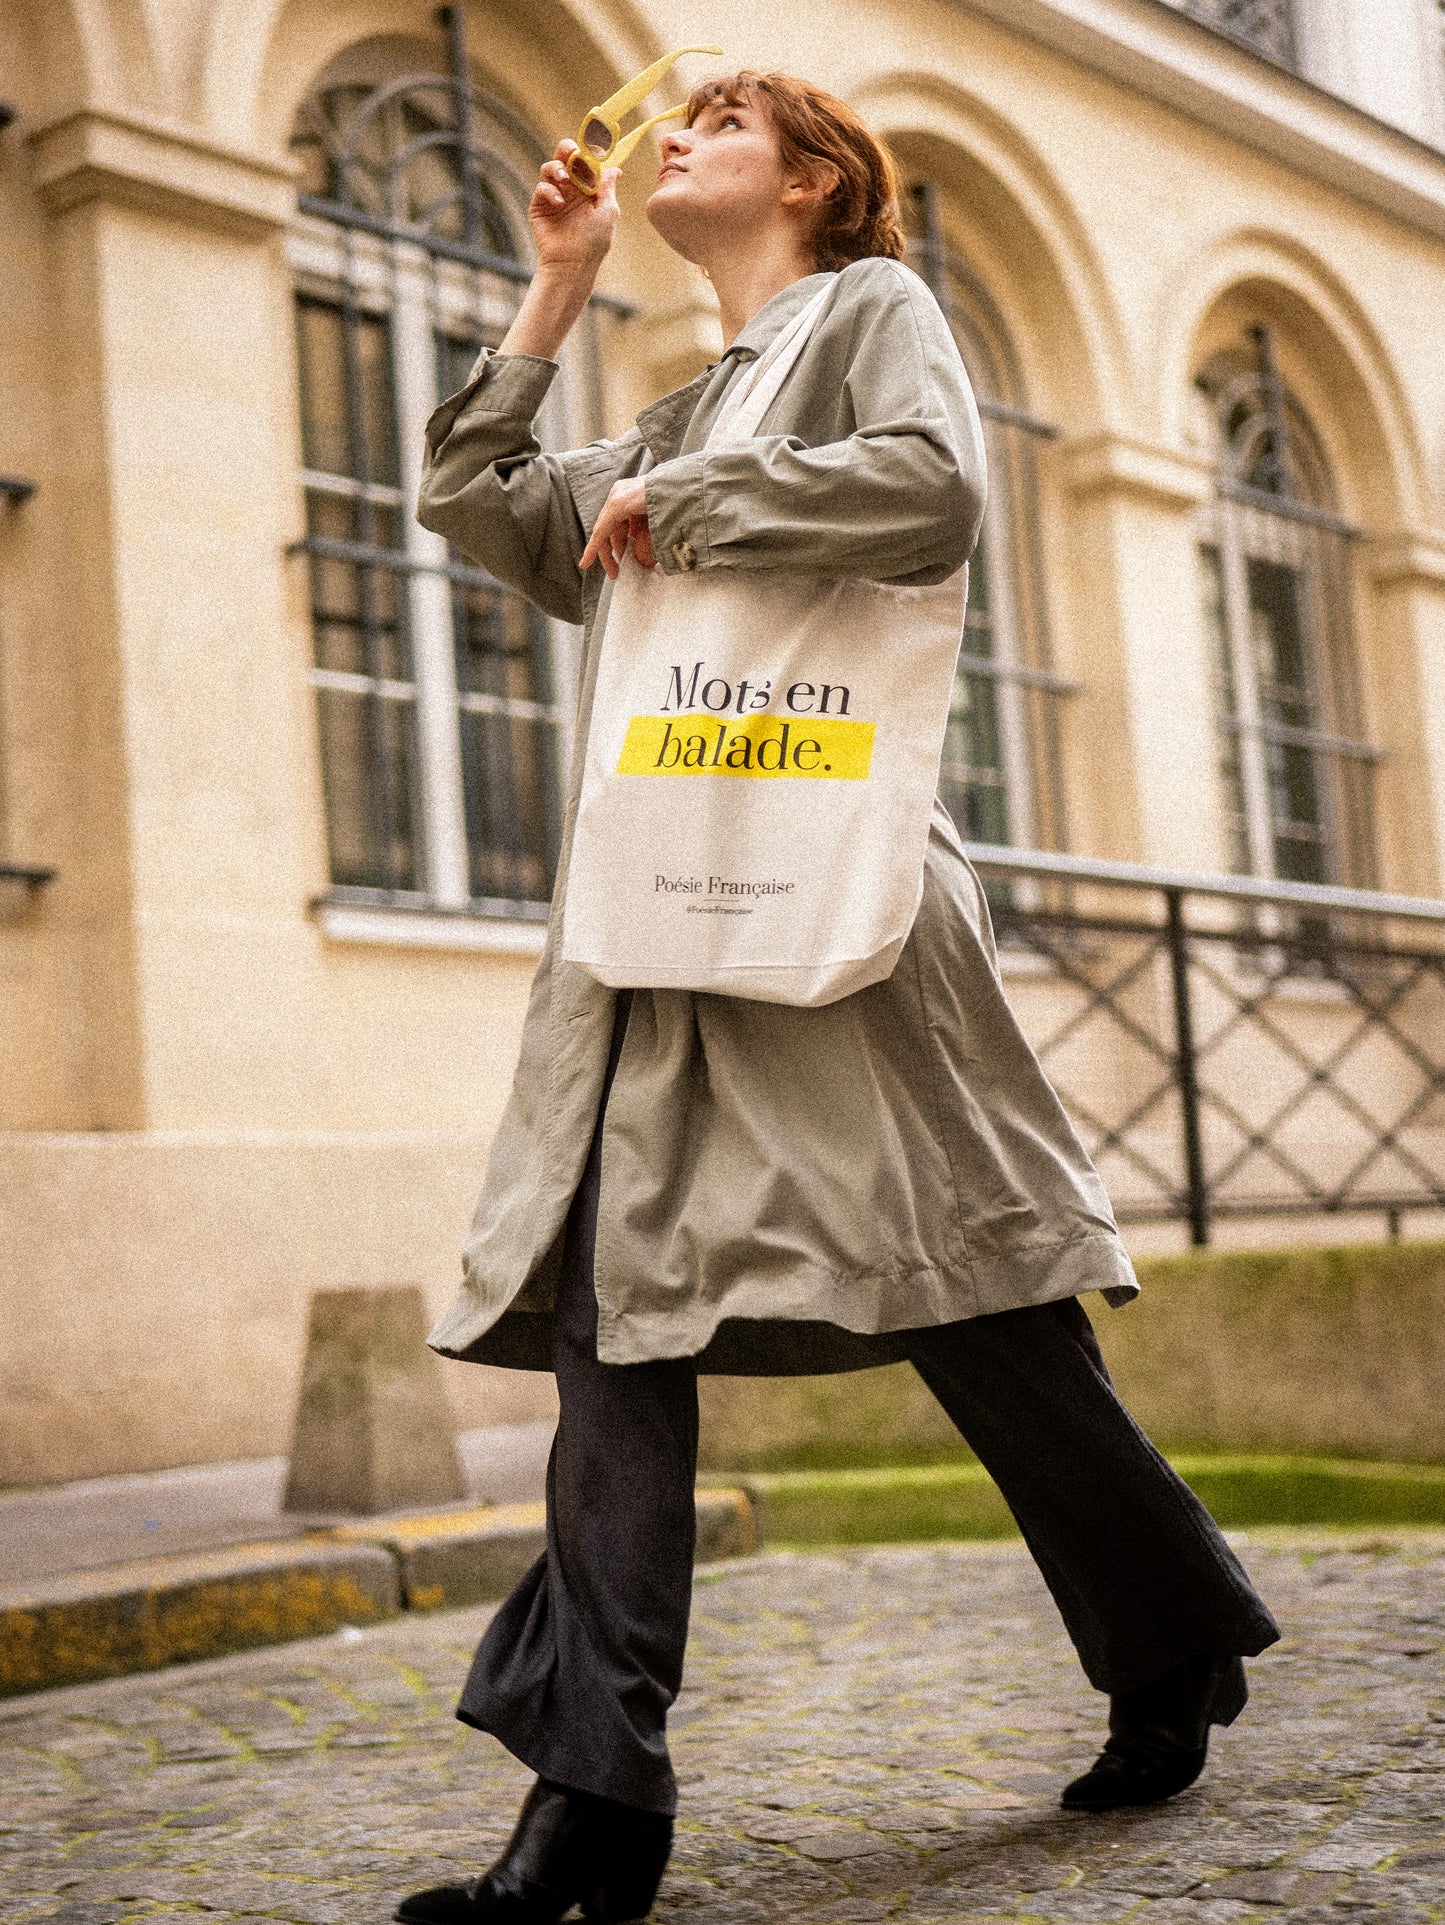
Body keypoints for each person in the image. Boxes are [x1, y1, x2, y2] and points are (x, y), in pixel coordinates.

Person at [396, 71, 1280, 1925]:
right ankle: (594, 1801)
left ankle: (1171, 1635)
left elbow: (935, 489)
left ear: (809, 179)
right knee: (611, 1310)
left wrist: (681, 496)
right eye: (677, 121)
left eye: (722, 118)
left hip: (841, 903)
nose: (677, 137)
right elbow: (472, 501)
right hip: (662, 909)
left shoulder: (873, 311)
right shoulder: (684, 400)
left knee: (977, 1299)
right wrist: (553, 283)